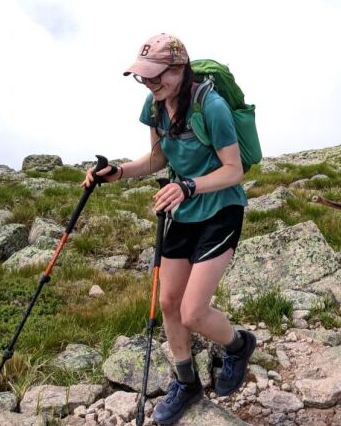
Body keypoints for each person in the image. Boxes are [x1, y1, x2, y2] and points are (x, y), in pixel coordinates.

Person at [83, 33, 255, 424]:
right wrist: (119, 172)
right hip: (181, 209)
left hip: (220, 210)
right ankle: (186, 381)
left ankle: (238, 344)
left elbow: (234, 170)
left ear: (179, 69)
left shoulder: (211, 107)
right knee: (168, 304)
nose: (149, 83)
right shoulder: (155, 105)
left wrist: (189, 185)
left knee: (193, 312)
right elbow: (159, 158)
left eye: (156, 75)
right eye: (143, 76)